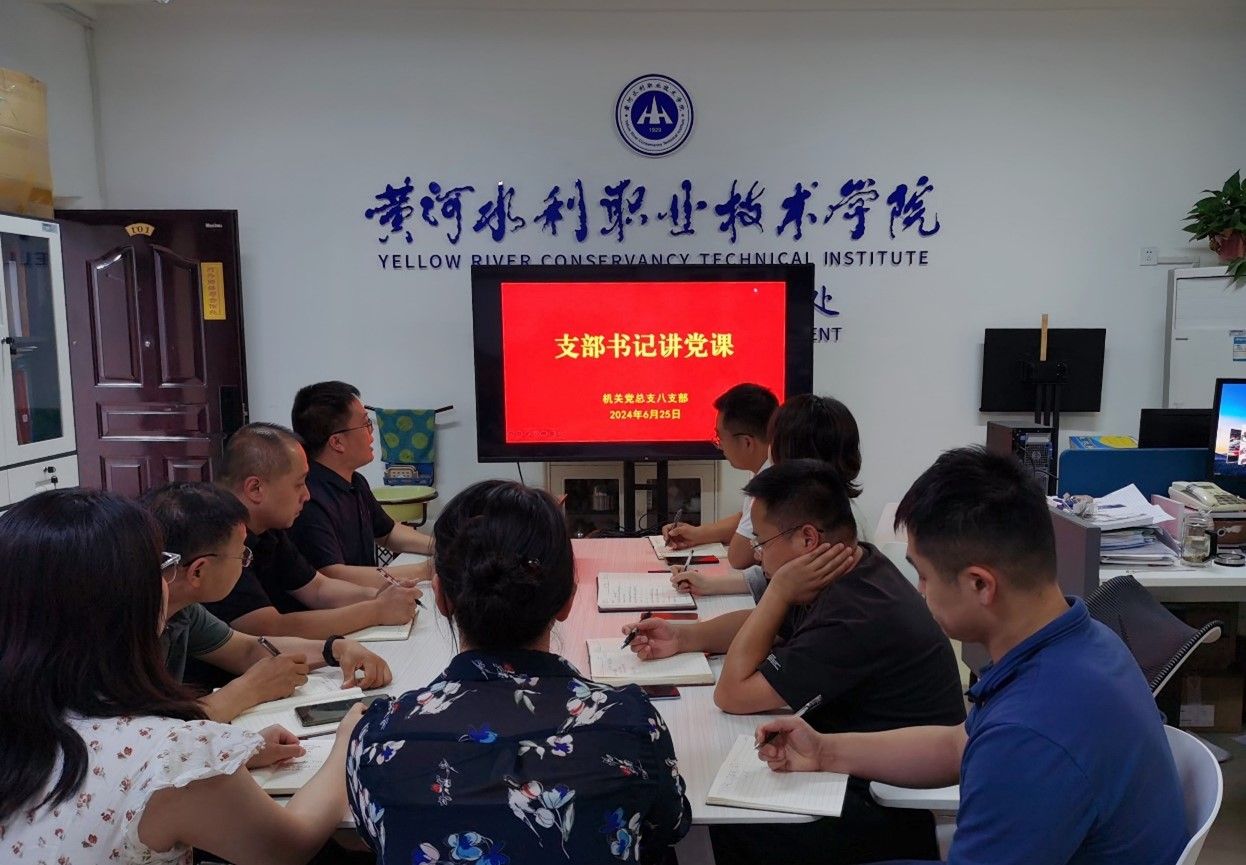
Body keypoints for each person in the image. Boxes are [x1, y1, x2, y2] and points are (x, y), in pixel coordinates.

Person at [755, 447, 1190, 865]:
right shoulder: (1084, 642)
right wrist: (824, 751)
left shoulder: (1029, 734)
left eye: (924, 576)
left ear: (980, 584)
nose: (920, 592)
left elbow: (1004, 745)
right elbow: (957, 745)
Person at [626, 459, 965, 863]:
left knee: (705, 825)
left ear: (807, 538)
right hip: (850, 764)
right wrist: (685, 636)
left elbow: (732, 694)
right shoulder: (850, 565)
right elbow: (765, 626)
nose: (757, 555)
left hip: (881, 805)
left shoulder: (855, 613)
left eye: (762, 542)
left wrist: (779, 590)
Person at [0, 488, 361, 865]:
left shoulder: (26, 723)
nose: (167, 578)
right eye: (157, 565)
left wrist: (229, 754)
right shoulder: (173, 757)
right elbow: (289, 847)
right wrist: (347, 746)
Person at [348, 480, 691, 864]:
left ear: (440, 596)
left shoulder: (378, 737)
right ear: (567, 600)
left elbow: (374, 836)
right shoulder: (631, 723)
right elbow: (671, 826)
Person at [142, 480, 393, 721]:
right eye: (242, 554)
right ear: (198, 571)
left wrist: (335, 649)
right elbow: (150, 731)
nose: (245, 561)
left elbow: (247, 649)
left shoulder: (183, 610)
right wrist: (249, 688)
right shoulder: (128, 624)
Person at [204, 422, 421, 640]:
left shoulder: (267, 529)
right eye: (299, 484)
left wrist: (379, 595)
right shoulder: (215, 536)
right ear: (255, 488)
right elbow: (268, 628)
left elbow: (317, 588)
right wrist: (376, 610)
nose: (307, 495)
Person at [673, 392, 869, 599]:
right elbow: (777, 578)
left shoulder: (832, 528)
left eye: (773, 440)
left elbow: (787, 598)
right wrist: (709, 584)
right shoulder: (832, 508)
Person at [289, 381, 433, 589]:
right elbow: (333, 576)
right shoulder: (307, 497)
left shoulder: (355, 481)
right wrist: (426, 570)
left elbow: (387, 533)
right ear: (337, 442)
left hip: (367, 598)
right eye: (366, 424)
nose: (372, 434)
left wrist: (438, 546)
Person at [661, 382, 778, 595]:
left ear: (747, 443)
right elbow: (745, 519)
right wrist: (697, 534)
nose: (719, 445)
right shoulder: (766, 464)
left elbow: (739, 557)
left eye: (720, 438)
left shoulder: (772, 482)